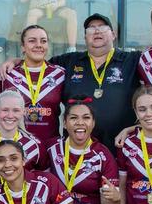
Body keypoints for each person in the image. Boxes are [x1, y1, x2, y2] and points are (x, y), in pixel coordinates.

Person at [45, 13, 141, 152]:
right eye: (91, 28)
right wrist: (16, 61)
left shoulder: (132, 60)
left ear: (113, 35)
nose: (96, 31)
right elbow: (37, 65)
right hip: (76, 152)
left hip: (121, 148)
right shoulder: (68, 61)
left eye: (102, 27)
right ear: (85, 38)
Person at [0, 25, 65, 145]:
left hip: (50, 146)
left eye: (43, 41)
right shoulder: (8, 74)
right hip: (18, 148)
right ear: (23, 47)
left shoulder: (60, 74)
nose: (39, 45)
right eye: (32, 41)